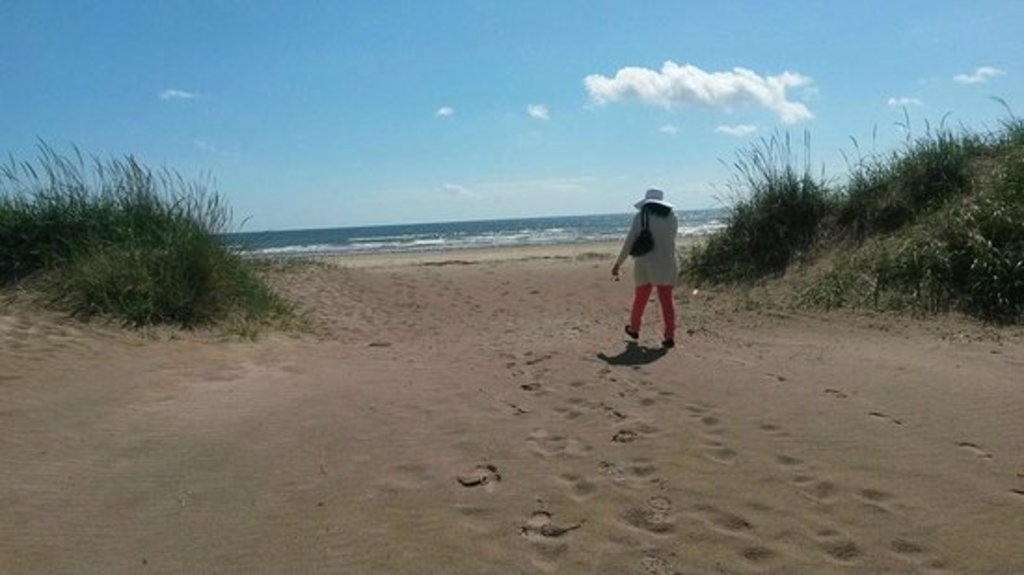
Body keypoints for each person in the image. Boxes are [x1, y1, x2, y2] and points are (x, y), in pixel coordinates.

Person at [611, 188, 678, 348]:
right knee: (666, 301)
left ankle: (634, 328)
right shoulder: (673, 217)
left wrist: (618, 263)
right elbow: (671, 240)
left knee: (640, 298)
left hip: (644, 262)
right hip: (667, 262)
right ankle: (669, 336)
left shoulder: (641, 217)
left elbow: (629, 242)